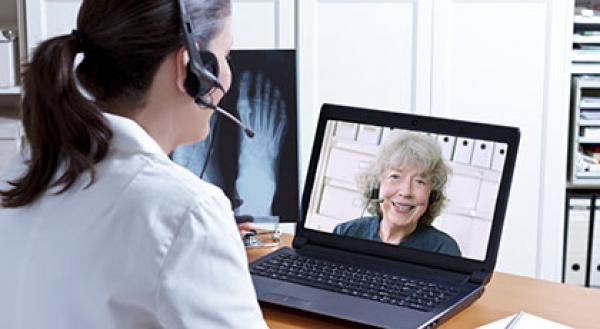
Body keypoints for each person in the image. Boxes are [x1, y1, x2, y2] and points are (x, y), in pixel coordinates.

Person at [0, 0, 268, 328]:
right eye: (226, 56)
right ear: (191, 69)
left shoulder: (23, 170)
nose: (228, 73)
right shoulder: (186, 212)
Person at [333, 133, 461, 257]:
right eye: (395, 176)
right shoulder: (346, 232)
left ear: (431, 195)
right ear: (376, 186)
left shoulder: (444, 249)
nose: (406, 192)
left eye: (420, 181)